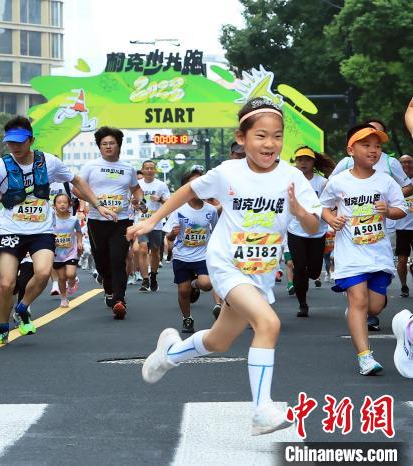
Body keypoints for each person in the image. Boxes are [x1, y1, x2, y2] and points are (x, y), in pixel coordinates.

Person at [129, 98, 321, 436]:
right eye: (261, 136)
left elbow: (310, 224)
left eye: (277, 137)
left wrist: (299, 210)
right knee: (268, 323)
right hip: (227, 263)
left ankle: (170, 353)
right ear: (242, 138)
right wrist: (152, 220)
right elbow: (189, 188)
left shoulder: (292, 177)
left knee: (219, 341)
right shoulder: (228, 172)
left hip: (260, 269)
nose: (269, 144)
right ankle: (262, 409)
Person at [0, 116, 115, 344]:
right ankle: (2, 327)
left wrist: (98, 205)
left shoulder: (49, 162)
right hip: (10, 230)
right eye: (10, 142)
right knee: (6, 283)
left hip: (41, 230)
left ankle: (22, 307)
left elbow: (77, 181)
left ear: (31, 140)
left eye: (19, 141)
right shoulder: (1, 165)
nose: (14, 147)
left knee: (44, 273)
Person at [320, 123, 405, 375]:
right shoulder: (338, 182)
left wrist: (388, 211)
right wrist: (331, 219)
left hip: (378, 255)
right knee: (358, 300)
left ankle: (357, 311)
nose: (373, 150)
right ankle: (365, 357)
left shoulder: (386, 181)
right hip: (351, 255)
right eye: (366, 145)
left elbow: (401, 209)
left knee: (375, 306)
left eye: (377, 146)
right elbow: (322, 206)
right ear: (351, 149)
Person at [80, 126, 144, 319]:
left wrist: (139, 200)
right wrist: (96, 203)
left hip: (121, 221)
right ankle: (108, 288)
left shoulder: (128, 168)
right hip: (96, 221)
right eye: (104, 144)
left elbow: (136, 189)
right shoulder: (90, 166)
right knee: (102, 262)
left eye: (112, 143)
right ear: (99, 147)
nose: (108, 147)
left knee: (118, 260)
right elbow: (77, 189)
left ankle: (119, 300)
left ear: (119, 146)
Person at [163, 168, 218, 334]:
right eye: (192, 184)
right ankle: (187, 318)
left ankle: (195, 284)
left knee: (207, 284)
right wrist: (172, 234)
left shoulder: (211, 210)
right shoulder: (178, 209)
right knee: (183, 290)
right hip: (182, 256)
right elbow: (169, 238)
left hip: (203, 255)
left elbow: (216, 232)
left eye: (200, 184)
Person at [287, 146, 335, 317]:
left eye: (307, 159)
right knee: (299, 267)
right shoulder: (289, 182)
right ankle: (302, 304)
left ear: (313, 162)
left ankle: (306, 276)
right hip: (296, 231)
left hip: (317, 231)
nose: (303, 162)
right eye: (300, 159)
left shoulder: (321, 182)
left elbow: (329, 203)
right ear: (296, 162)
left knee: (314, 271)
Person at [135, 160, 170, 292]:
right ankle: (145, 279)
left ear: (155, 170)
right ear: (142, 170)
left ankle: (153, 276)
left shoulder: (161, 185)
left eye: (152, 168)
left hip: (156, 223)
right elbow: (131, 200)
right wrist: (135, 204)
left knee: (155, 251)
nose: (149, 170)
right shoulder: (137, 185)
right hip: (141, 222)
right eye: (147, 168)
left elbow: (168, 201)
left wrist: (160, 199)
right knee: (142, 249)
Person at [52, 193, 82, 308]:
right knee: (61, 277)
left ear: (70, 204)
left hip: (71, 252)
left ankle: (71, 284)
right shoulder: (51, 219)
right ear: (54, 205)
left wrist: (79, 242)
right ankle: (63, 299)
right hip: (57, 253)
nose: (62, 205)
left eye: (65, 202)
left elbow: (78, 231)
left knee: (71, 273)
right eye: (59, 203)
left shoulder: (73, 219)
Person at [395, 154, 413, 297]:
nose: (406, 165)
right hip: (402, 228)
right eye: (403, 163)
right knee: (402, 259)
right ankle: (404, 285)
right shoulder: (395, 182)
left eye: (409, 162)